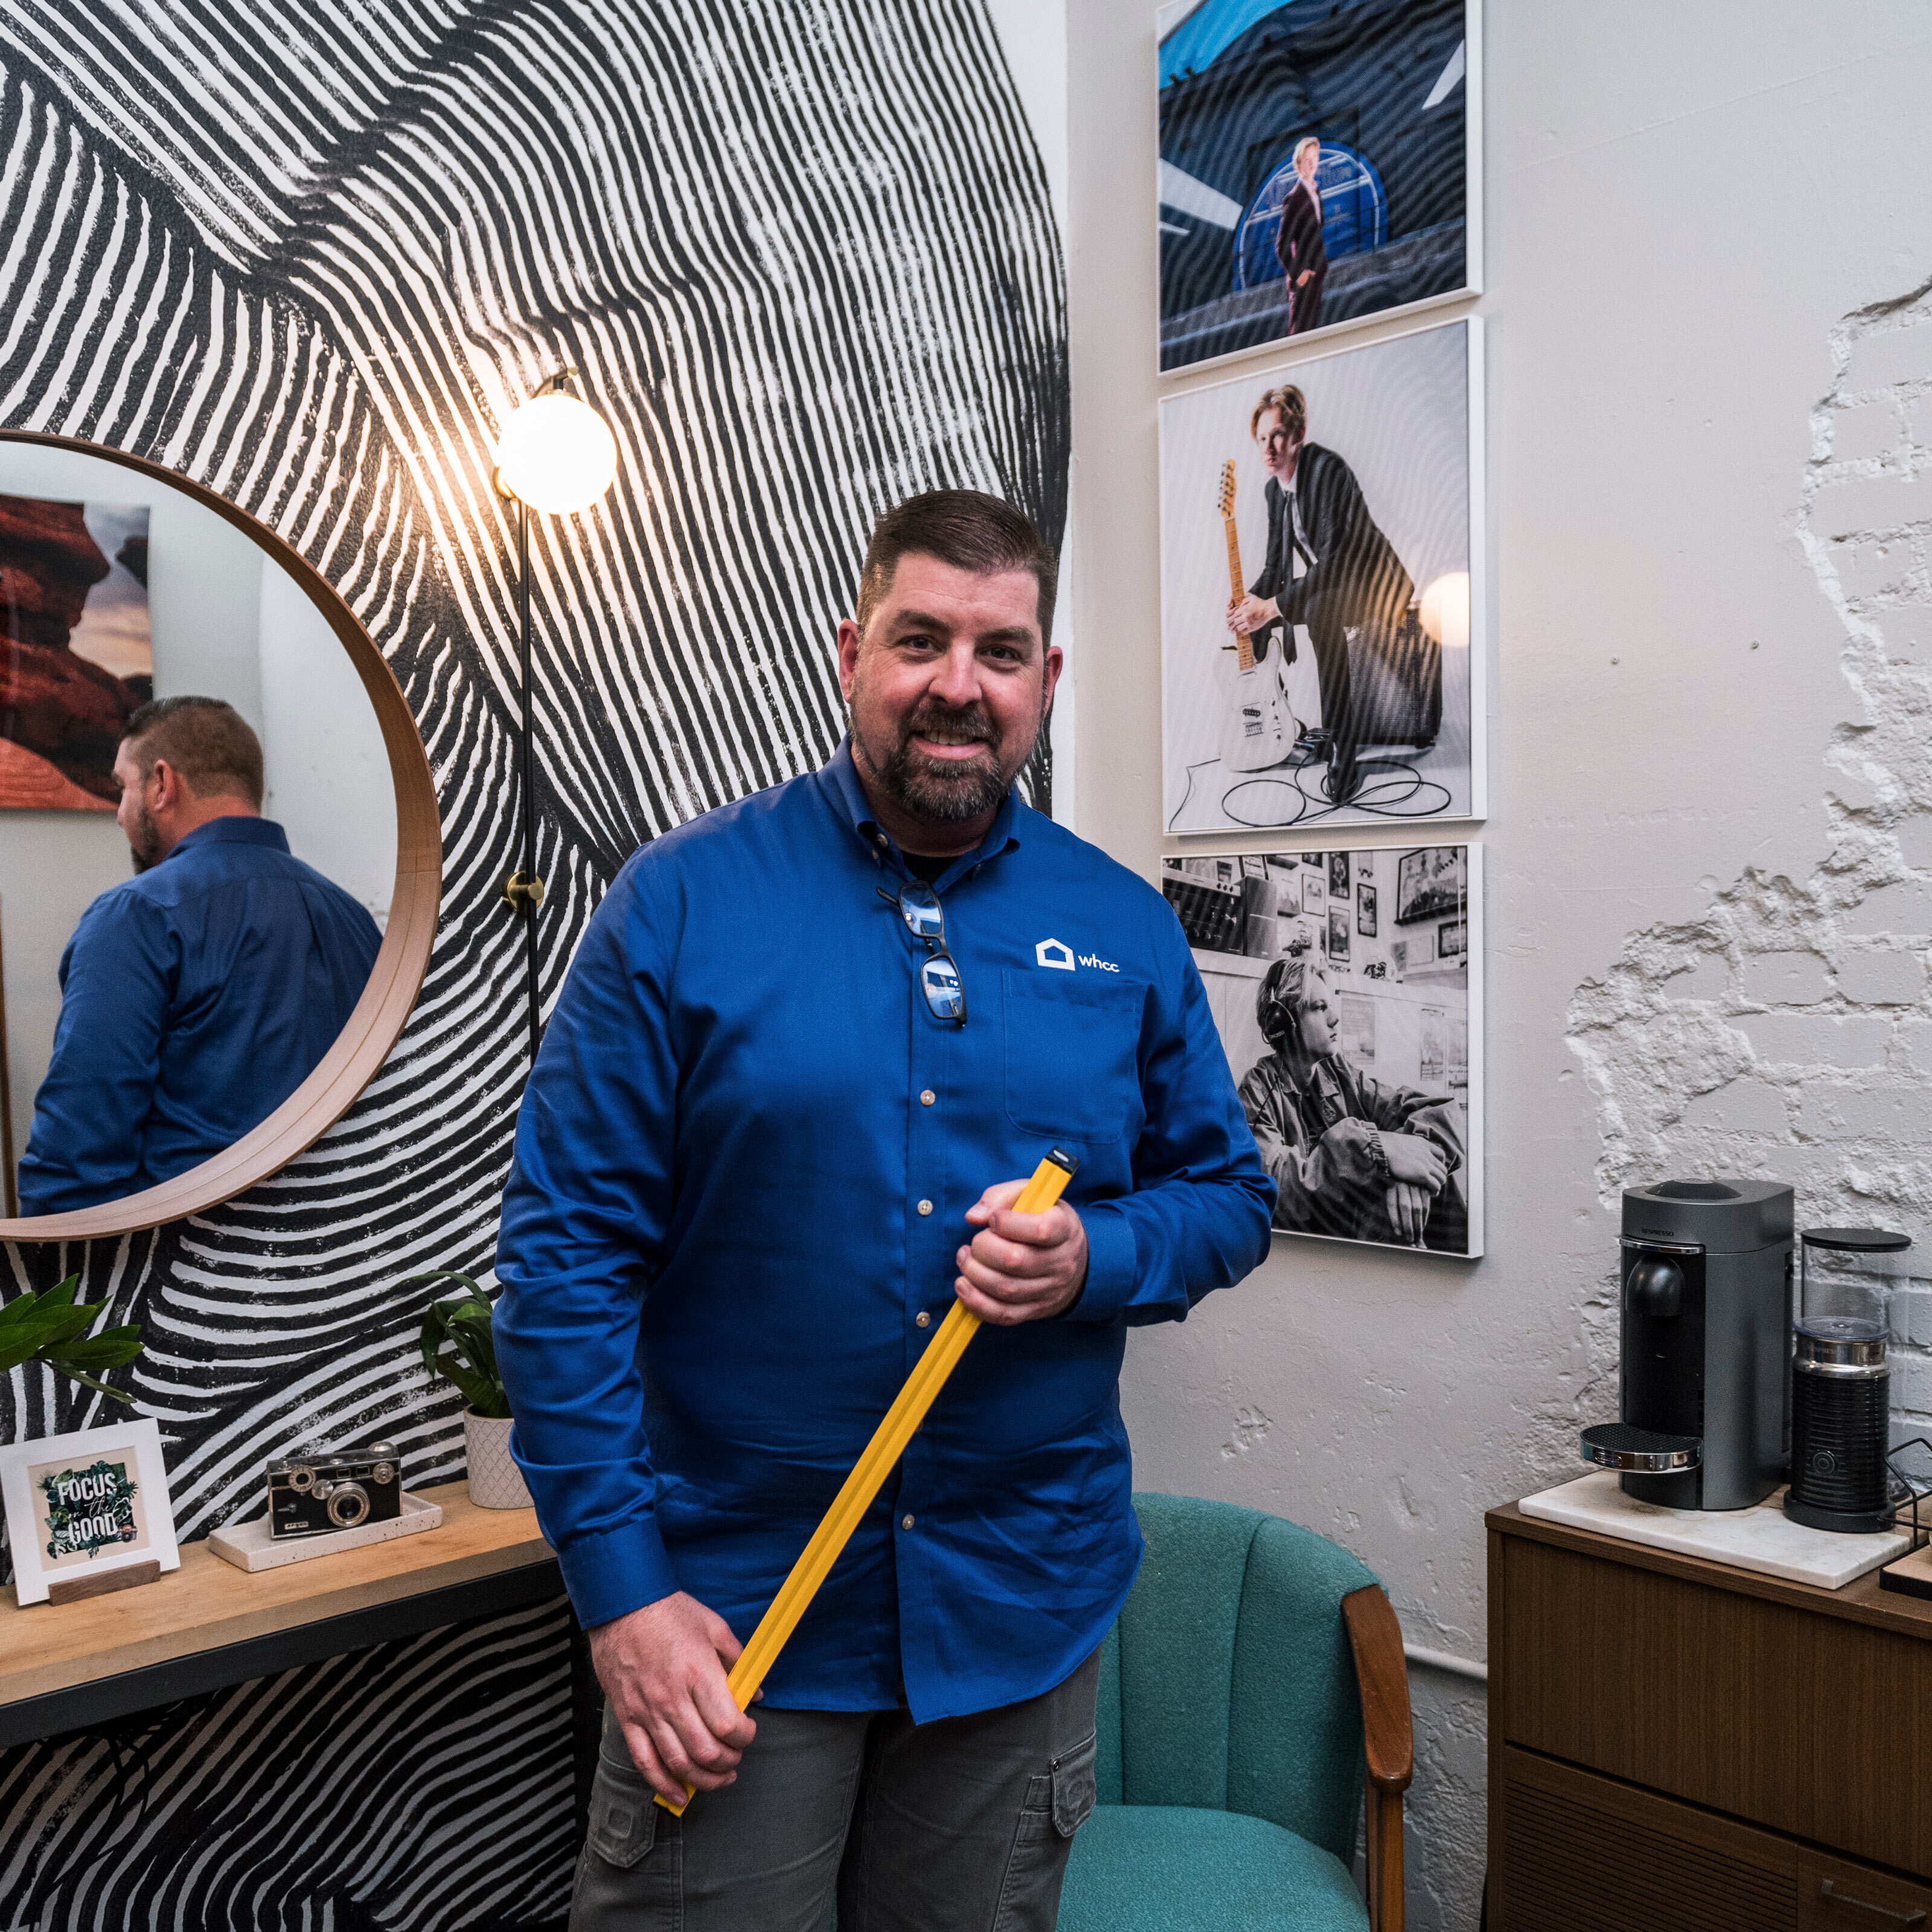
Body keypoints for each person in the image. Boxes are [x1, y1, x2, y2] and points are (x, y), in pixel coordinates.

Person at [493, 490, 1276, 1931]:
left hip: (1017, 1611)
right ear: (851, 650)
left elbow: (1228, 1197)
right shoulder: (678, 905)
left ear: (1047, 678)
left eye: (999, 649)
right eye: (921, 640)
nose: (957, 686)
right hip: (733, 1626)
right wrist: (623, 1596)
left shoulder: (1120, 923)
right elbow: (562, 1267)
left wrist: (1099, 1254)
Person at [18, 696, 383, 1216]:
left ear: (162, 785)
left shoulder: (137, 916)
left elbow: (81, 1145)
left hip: (187, 1271)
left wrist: (51, 1278)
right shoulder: (353, 919)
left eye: (122, 787)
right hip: (344, 1253)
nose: (120, 815)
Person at [1224, 383, 1415, 802]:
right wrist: (1248, 602)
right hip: (1333, 584)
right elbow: (1276, 567)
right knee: (1268, 613)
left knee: (1320, 607)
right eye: (1261, 439)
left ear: (1298, 434)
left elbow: (1336, 562)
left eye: (1276, 435)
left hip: (1376, 585)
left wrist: (1271, 608)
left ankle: (1344, 758)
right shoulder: (1275, 490)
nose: (1268, 448)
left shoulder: (1328, 471)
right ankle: (1275, 729)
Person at [1238, 955, 1466, 1252]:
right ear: (1283, 1021)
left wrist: (1412, 1178)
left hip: (1355, 1228)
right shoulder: (1256, 1091)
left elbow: (1440, 1112)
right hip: (1305, 1250)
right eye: (1319, 1008)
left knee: (1433, 1183)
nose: (1335, 1018)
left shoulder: (1339, 1073)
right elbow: (1278, 1188)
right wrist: (1376, 1147)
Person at [1275, 135, 1327, 335]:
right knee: (1300, 334)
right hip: (1304, 281)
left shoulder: (1316, 192)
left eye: (1316, 157)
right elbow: (1281, 246)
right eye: (1307, 159)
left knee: (1312, 332)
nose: (1313, 163)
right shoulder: (1293, 199)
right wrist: (1299, 275)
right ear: (1298, 165)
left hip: (1317, 273)